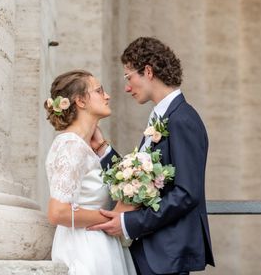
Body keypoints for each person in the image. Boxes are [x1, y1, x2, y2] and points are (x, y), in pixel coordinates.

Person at [88, 37, 214, 275]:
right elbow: (138, 179)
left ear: (147, 71)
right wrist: (103, 149)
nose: (126, 87)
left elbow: (187, 193)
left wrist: (128, 223)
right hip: (151, 251)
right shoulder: (162, 117)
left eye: (128, 77)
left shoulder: (183, 119)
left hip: (167, 253)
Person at [44, 69, 136, 275]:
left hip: (99, 244)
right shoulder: (70, 145)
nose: (107, 96)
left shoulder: (85, 147)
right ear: (81, 102)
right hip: (85, 248)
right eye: (99, 91)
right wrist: (113, 218)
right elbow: (58, 212)